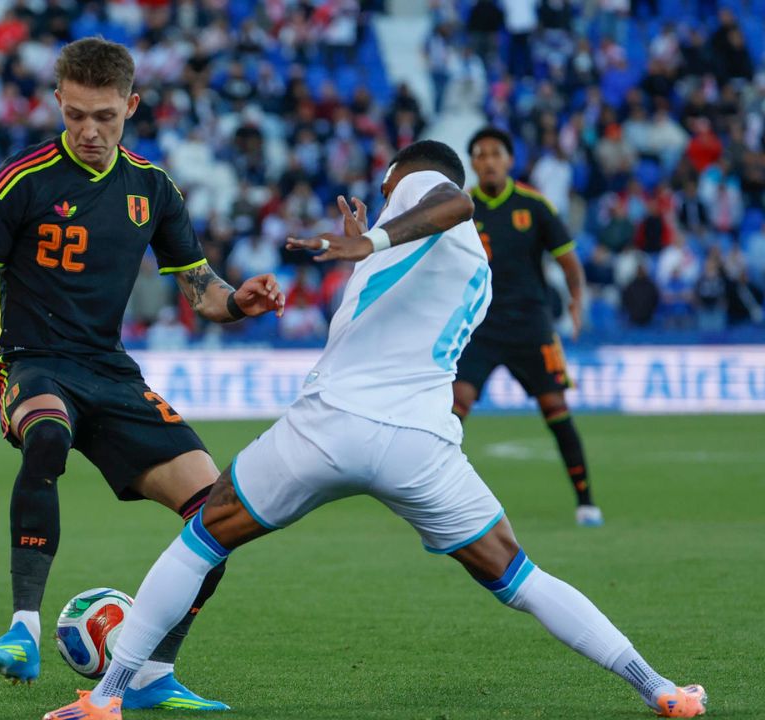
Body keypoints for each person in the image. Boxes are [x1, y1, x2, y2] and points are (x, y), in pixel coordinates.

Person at [43, 140, 706, 720]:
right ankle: (659, 688)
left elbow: (452, 200)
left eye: (388, 189)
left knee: (202, 539)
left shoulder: (421, 184)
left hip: (329, 426)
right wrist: (371, 247)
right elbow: (410, 289)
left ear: (394, 176)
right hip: (420, 446)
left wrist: (369, 241)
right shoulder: (474, 267)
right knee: (521, 576)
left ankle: (108, 696)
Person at [0, 37, 283, 711]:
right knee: (47, 436)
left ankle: (153, 673)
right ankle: (23, 629)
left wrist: (241, 301)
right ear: (58, 102)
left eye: (105, 117)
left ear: (132, 106)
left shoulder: (153, 188)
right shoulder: (21, 180)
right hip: (33, 363)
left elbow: (203, 290)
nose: (89, 131)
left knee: (221, 513)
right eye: (75, 116)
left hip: (111, 372)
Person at [453, 127, 603, 527]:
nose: (488, 161)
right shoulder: (460, 208)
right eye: (480, 154)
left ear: (509, 160)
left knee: (555, 408)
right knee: (454, 409)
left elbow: (569, 262)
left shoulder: (534, 206)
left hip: (531, 327)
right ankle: (435, 500)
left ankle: (586, 502)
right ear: (473, 163)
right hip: (480, 327)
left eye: (495, 154)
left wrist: (576, 302)